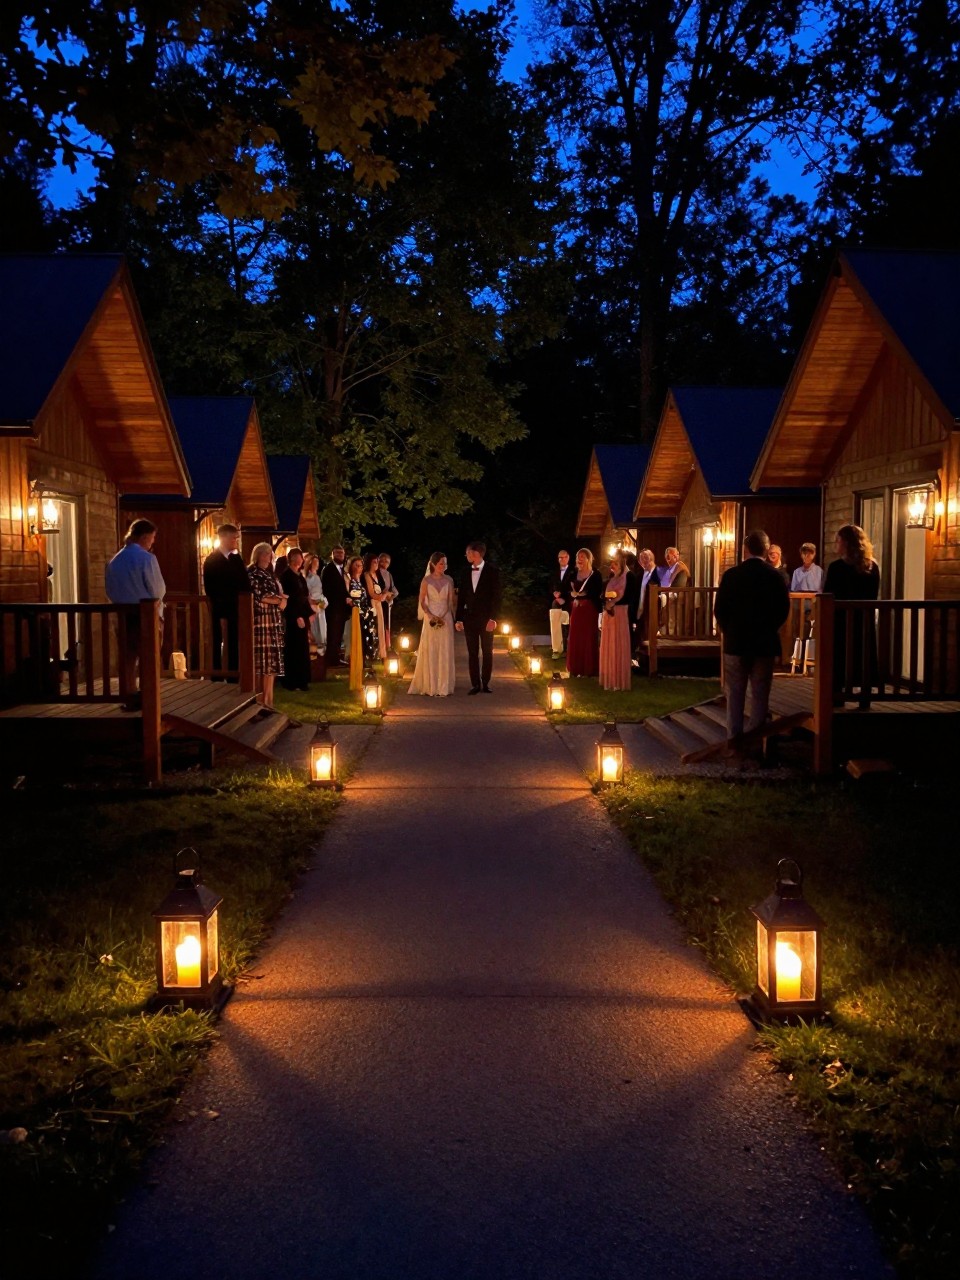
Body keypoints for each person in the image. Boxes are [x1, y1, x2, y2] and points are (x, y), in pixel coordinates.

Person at [714, 529, 791, 755]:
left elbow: (720, 610)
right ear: (767, 551)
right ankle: (755, 741)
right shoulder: (776, 577)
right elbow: (782, 610)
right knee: (760, 694)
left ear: (745, 550)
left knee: (735, 692)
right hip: (764, 643)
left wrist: (730, 631)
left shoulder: (731, 576)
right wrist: (769, 629)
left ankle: (734, 741)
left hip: (736, 643)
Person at [105, 518, 166, 695]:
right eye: (153, 537)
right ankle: (148, 694)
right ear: (145, 536)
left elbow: (110, 589)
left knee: (127, 656)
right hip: (145, 613)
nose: (153, 542)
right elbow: (157, 589)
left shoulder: (115, 561)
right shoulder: (146, 559)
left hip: (123, 613)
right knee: (149, 656)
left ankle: (128, 692)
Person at [824, 524, 880, 706]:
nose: (836, 545)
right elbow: (872, 594)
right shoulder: (872, 567)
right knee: (863, 655)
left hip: (841, 620)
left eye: (838, 541)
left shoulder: (836, 567)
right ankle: (865, 697)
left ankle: (838, 696)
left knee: (840, 655)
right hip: (863, 620)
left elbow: (828, 594)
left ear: (846, 543)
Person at [202, 523, 250, 681]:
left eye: (237, 538)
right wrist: (221, 610)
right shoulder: (212, 560)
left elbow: (245, 582)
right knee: (218, 642)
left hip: (236, 609)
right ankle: (217, 677)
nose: (236, 541)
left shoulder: (236, 559)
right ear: (223, 538)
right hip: (220, 609)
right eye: (233, 538)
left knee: (234, 643)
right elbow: (211, 588)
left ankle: (234, 677)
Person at [455, 541, 502, 694]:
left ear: (476, 554)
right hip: (470, 618)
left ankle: (486, 682)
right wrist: (459, 619)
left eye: (468, 553)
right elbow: (461, 597)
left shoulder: (493, 571)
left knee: (488, 651)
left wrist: (493, 619)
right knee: (472, 652)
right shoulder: (464, 572)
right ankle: (475, 683)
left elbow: (497, 597)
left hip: (487, 618)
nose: (466, 556)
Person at [408, 552, 457, 696]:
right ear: (434, 564)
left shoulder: (449, 580)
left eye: (445, 563)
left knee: (444, 648)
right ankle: (431, 684)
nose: (444, 566)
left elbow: (451, 601)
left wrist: (445, 614)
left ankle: (443, 685)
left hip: (445, 617)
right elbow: (422, 600)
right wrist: (430, 615)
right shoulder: (426, 581)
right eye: (441, 563)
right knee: (431, 648)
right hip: (431, 617)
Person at [247, 542, 287, 711]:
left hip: (272, 621)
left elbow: (276, 596)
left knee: (270, 665)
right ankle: (259, 703)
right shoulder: (253, 573)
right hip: (262, 622)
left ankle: (270, 702)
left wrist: (279, 599)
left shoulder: (269, 574)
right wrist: (279, 600)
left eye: (271, 554)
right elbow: (261, 596)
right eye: (268, 554)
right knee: (262, 664)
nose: (270, 558)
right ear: (260, 555)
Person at [566, 548, 603, 677]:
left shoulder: (595, 574)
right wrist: (572, 595)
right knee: (576, 637)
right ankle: (575, 668)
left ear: (588, 558)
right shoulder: (572, 573)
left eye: (582, 556)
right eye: (578, 557)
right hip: (577, 609)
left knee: (588, 637)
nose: (579, 559)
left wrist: (584, 594)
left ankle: (589, 668)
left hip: (589, 609)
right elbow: (566, 590)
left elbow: (597, 592)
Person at [278, 549, 312, 691]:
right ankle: (291, 681)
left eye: (300, 557)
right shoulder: (286, 576)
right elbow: (288, 599)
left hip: (302, 614)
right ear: (291, 558)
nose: (299, 559)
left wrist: (309, 613)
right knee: (293, 648)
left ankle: (302, 680)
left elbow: (304, 596)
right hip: (293, 616)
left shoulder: (300, 576)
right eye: (296, 557)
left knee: (303, 647)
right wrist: (296, 616)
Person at [599, 550, 632, 691]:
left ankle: (619, 680)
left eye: (616, 563)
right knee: (608, 645)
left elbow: (630, 597)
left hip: (620, 614)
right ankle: (609, 677)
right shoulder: (611, 578)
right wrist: (606, 601)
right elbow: (602, 594)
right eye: (612, 563)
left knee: (618, 644)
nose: (613, 566)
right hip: (609, 614)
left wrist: (614, 603)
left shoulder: (629, 577)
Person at [345, 554, 378, 669]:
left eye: (360, 565)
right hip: (355, 612)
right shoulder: (349, 579)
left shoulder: (362, 580)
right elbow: (348, 595)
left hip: (365, 612)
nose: (359, 567)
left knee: (366, 636)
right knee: (357, 636)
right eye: (356, 565)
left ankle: (364, 659)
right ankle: (356, 659)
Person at [321, 545, 349, 665]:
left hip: (342, 607)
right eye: (337, 553)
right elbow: (326, 589)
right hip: (333, 607)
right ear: (332, 555)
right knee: (333, 633)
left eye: (341, 553)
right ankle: (331, 659)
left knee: (339, 633)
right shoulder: (327, 569)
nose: (339, 555)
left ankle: (336, 657)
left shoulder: (345, 570)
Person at [548, 549, 576, 657]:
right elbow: (551, 585)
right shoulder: (555, 572)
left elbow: (574, 588)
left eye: (564, 557)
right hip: (557, 601)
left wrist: (564, 597)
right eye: (560, 557)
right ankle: (557, 648)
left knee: (568, 625)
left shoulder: (573, 571)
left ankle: (568, 649)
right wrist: (554, 593)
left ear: (568, 558)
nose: (562, 559)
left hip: (569, 601)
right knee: (555, 621)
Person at [362, 553, 387, 660]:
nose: (377, 564)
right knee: (373, 628)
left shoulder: (378, 575)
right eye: (374, 562)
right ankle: (372, 652)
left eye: (377, 562)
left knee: (380, 628)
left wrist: (385, 595)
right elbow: (371, 593)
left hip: (379, 604)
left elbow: (383, 588)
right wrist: (382, 596)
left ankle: (381, 652)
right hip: (372, 604)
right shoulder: (367, 575)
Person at [635, 548, 661, 642]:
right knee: (641, 637)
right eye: (641, 559)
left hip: (652, 609)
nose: (643, 561)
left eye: (645, 558)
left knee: (650, 636)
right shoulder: (640, 575)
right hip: (641, 610)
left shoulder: (658, 573)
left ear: (651, 558)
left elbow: (662, 591)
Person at [304, 554, 327, 654]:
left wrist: (322, 602)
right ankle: (315, 652)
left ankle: (321, 652)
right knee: (315, 630)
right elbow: (307, 593)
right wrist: (313, 602)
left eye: (317, 563)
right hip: (313, 605)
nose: (317, 565)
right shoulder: (308, 578)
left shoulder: (317, 576)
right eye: (314, 563)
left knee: (322, 629)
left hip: (320, 605)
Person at [377, 552, 399, 649]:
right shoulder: (375, 572)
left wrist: (391, 595)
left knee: (387, 625)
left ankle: (386, 646)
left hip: (387, 603)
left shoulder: (389, 574)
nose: (385, 563)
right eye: (383, 560)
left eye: (387, 561)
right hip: (378, 602)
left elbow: (394, 590)